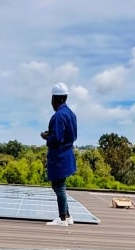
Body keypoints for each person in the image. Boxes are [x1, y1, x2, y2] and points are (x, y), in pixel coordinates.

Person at [41, 82, 77, 226]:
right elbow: (68, 134)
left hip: (59, 156)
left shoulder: (58, 116)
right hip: (67, 154)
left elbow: (56, 138)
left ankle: (62, 218)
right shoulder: (71, 114)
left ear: (55, 99)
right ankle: (67, 215)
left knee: (58, 187)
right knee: (60, 186)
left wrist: (46, 137)